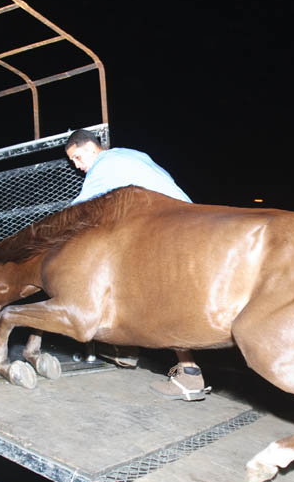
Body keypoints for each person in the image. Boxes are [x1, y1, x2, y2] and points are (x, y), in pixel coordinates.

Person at [64, 129, 209, 401]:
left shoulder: (104, 165)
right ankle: (130, 348)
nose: (77, 166)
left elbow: (77, 210)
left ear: (92, 148)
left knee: (152, 295)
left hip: (174, 228)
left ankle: (186, 372)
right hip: (192, 218)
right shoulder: (130, 154)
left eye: (78, 158)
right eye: (73, 162)